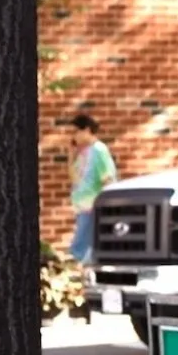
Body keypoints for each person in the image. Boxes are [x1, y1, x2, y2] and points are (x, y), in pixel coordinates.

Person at [67, 113, 117, 265]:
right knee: (86, 249)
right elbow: (74, 179)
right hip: (82, 209)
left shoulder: (99, 150)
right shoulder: (83, 152)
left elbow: (108, 179)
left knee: (78, 248)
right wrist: (71, 155)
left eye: (76, 131)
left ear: (87, 130)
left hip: (92, 208)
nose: (73, 136)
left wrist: (105, 208)